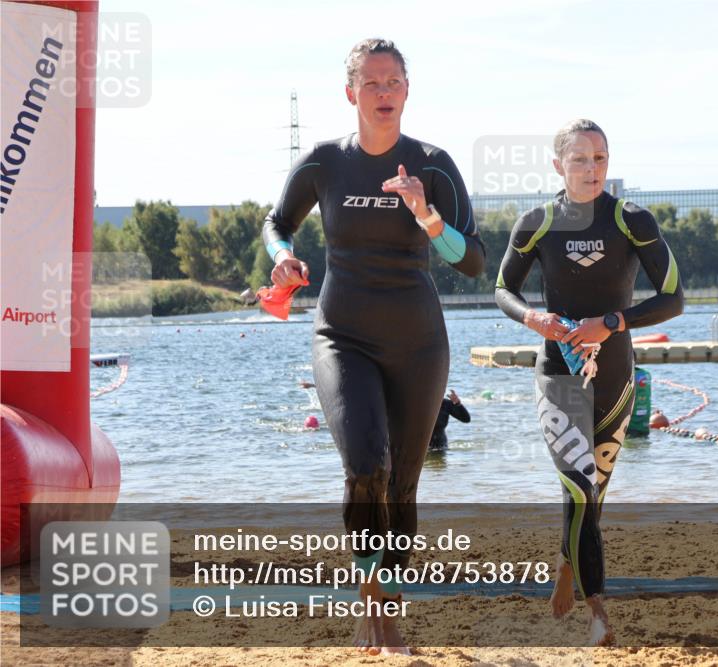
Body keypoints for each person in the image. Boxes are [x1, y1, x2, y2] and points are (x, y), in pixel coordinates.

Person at [261, 38, 484, 655]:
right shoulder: (326, 163)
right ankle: (372, 603)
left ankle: (391, 604)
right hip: (343, 336)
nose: (384, 93)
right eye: (373, 83)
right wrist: (283, 259)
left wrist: (427, 217)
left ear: (407, 91)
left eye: (394, 83)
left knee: (404, 483)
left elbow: (472, 262)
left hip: (417, 343)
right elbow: (277, 222)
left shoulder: (432, 165)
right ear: (351, 92)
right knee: (366, 466)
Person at [495, 119, 684, 646]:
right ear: (558, 166)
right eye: (579, 159)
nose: (592, 169)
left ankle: (565, 566)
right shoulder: (535, 222)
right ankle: (599, 612)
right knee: (578, 488)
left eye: (600, 158)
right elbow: (502, 289)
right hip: (558, 373)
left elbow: (673, 298)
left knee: (591, 495)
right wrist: (534, 320)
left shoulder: (631, 220)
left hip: (615, 376)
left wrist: (613, 321)